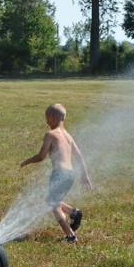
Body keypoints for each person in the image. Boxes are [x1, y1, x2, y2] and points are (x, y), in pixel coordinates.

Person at [20, 103, 93, 243]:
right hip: (70, 173)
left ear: (51, 118)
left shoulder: (50, 134)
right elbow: (79, 156)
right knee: (53, 200)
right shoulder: (68, 136)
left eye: (46, 119)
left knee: (52, 203)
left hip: (59, 173)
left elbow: (41, 156)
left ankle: (71, 236)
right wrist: (85, 175)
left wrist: (27, 161)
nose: (46, 122)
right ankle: (74, 213)